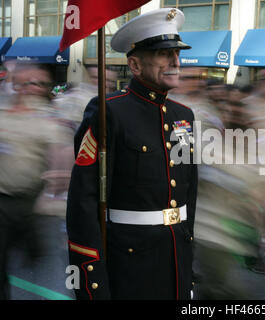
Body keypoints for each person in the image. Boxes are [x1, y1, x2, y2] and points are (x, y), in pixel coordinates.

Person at [66, 8, 197, 300]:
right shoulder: (108, 111)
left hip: (175, 259)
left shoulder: (184, 115)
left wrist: (188, 263)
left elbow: (189, 194)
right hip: (130, 266)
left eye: (177, 53)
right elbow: (83, 205)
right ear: (135, 65)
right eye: (164, 54)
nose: (176, 61)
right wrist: (92, 287)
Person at [0, 63, 65, 299]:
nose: (34, 88)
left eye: (41, 83)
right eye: (28, 82)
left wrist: (53, 192)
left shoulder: (51, 116)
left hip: (35, 202)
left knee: (40, 261)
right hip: (3, 200)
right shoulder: (3, 112)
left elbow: (61, 155)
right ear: (15, 84)